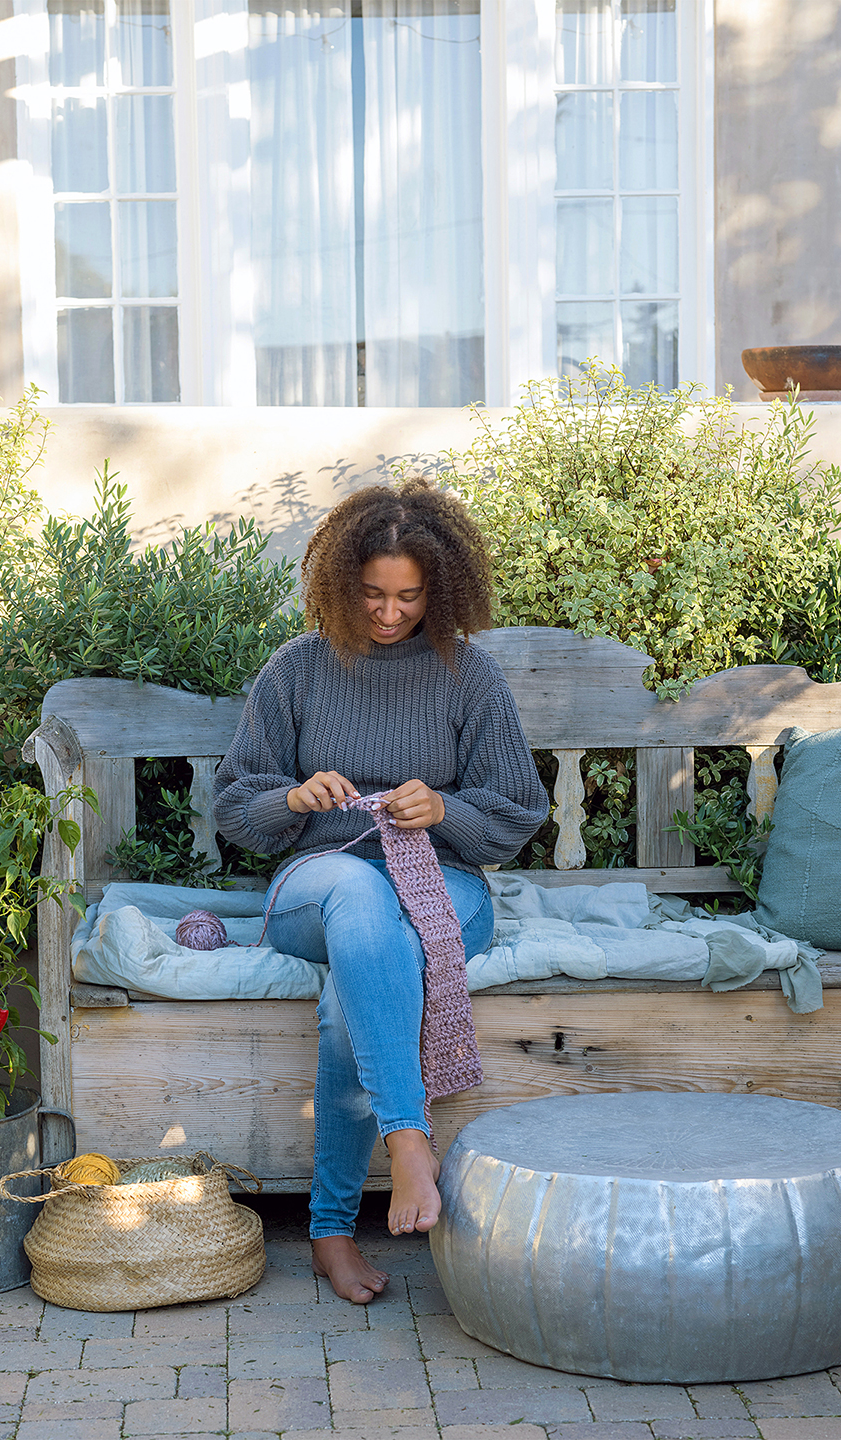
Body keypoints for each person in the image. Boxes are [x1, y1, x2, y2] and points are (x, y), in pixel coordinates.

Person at [214, 479, 549, 1303]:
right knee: (361, 905)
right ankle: (411, 1141)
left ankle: (330, 1230)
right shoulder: (297, 669)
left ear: (440, 588)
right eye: (370, 594)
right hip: (319, 885)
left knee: (359, 984)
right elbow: (234, 806)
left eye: (408, 596)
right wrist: (292, 799)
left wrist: (444, 808)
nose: (389, 613)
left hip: (442, 884)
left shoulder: (467, 675)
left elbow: (515, 814)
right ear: (339, 582)